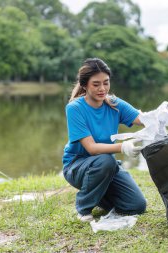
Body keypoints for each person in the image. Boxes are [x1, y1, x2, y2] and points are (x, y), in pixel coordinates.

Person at [62, 58, 146, 222]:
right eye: (96, 84)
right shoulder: (75, 108)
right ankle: (84, 207)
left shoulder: (114, 103)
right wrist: (122, 147)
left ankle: (98, 191)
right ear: (84, 85)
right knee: (106, 161)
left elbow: (142, 119)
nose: (102, 89)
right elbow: (91, 148)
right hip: (78, 166)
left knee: (137, 205)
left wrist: (159, 115)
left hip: (106, 166)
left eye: (106, 83)